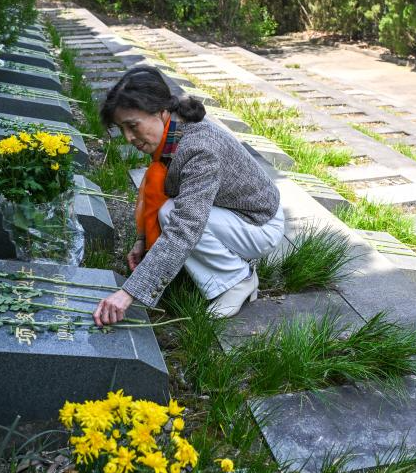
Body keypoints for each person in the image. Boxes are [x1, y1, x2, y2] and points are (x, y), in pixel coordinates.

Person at [92, 65, 285, 326]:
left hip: (258, 224)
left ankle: (237, 279)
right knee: (170, 211)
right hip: (228, 214)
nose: (128, 137)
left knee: (173, 215)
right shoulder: (171, 132)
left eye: (132, 126)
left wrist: (129, 292)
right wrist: (142, 240)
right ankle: (224, 267)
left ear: (160, 111)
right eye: (121, 128)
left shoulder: (199, 149)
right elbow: (160, 193)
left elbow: (186, 226)